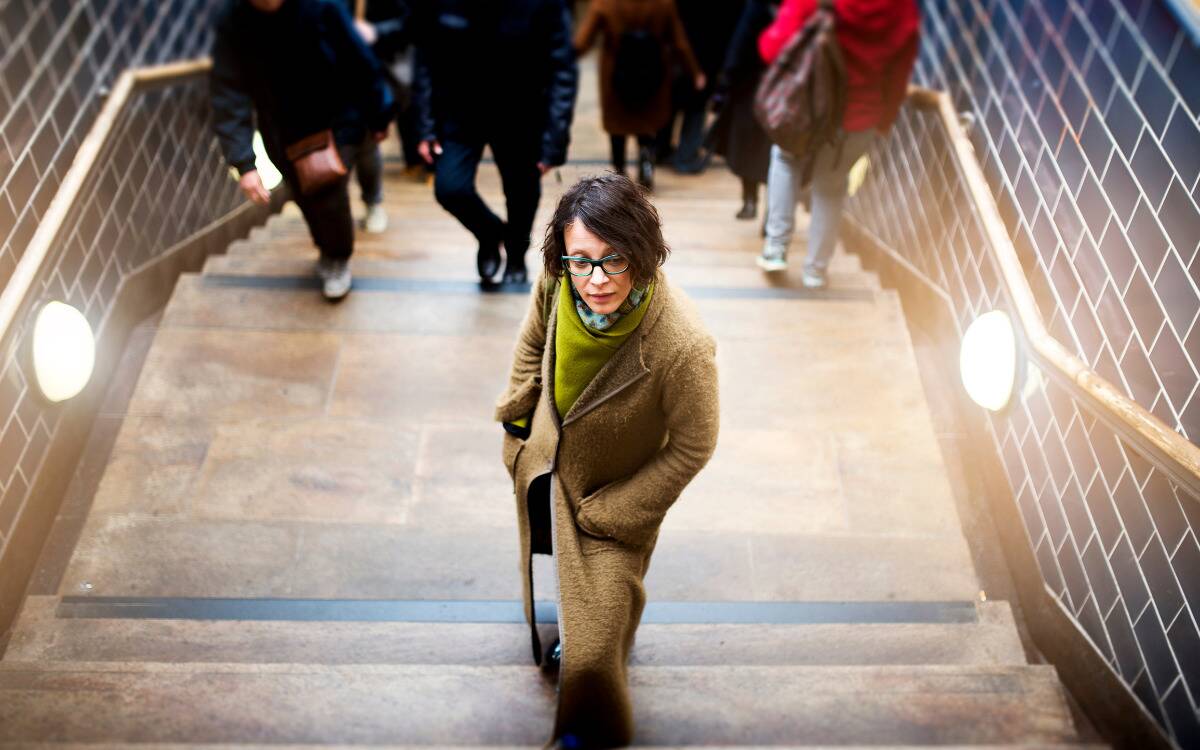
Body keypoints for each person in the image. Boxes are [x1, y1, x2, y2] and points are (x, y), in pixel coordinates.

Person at [496, 173, 719, 747]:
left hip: (610, 501)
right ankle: (580, 630)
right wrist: (518, 428)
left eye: (613, 260)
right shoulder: (556, 282)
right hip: (544, 469)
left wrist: (619, 510)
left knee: (595, 658)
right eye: (581, 260)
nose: (595, 280)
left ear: (642, 254)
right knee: (550, 563)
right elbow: (529, 344)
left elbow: (695, 443)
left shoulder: (683, 344)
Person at [211, 0, 395, 301]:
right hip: (282, 132)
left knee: (328, 193)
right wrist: (244, 163)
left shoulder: (321, 6)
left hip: (336, 121)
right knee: (303, 194)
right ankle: (328, 246)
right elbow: (228, 93)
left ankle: (337, 257)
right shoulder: (234, 20)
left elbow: (357, 60)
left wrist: (379, 112)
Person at [412, 0, 578, 285]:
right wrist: (425, 126)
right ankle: (490, 233)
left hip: (521, 112)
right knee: (450, 188)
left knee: (522, 192)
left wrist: (555, 140)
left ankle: (516, 253)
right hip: (459, 111)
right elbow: (426, 57)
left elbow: (562, 69)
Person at [757, 0, 918, 287]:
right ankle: (815, 271)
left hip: (807, 110)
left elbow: (773, 48)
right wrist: (884, 120)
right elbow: (898, 76)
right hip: (860, 118)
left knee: (785, 160)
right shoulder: (903, 9)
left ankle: (775, 249)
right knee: (831, 188)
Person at [575, 0, 706, 190]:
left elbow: (582, 41)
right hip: (651, 72)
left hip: (616, 75)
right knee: (646, 123)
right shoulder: (663, 3)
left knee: (617, 128)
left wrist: (561, 61)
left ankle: (618, 174)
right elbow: (680, 42)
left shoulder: (605, 3)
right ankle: (646, 165)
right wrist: (694, 71)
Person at [345, 0, 413, 233]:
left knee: (365, 144)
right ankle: (338, 210)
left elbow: (411, 21)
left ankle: (372, 202)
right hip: (336, 74)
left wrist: (375, 32)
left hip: (375, 73)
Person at [657, 0, 744, 174]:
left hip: (679, 53)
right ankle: (685, 156)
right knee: (694, 106)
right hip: (702, 53)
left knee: (676, 102)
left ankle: (663, 151)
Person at [710, 0, 778, 219]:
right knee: (774, 152)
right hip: (784, 90)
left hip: (751, 88)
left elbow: (739, 45)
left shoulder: (756, 7)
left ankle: (750, 201)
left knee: (748, 149)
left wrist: (726, 82)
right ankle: (772, 210)